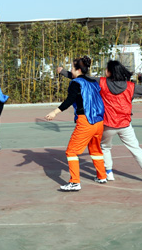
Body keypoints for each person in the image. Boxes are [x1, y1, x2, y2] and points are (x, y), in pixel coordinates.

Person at [58, 60, 142, 185]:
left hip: (108, 125)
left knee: (105, 148)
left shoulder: (101, 82)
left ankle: (109, 173)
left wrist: (63, 72)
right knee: (136, 149)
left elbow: (82, 78)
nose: (105, 71)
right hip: (125, 125)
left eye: (106, 69)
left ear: (110, 72)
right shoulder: (131, 86)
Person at [45, 56, 106, 191]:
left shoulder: (76, 83)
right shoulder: (93, 82)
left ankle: (74, 182)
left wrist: (55, 112)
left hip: (86, 121)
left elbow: (69, 100)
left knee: (71, 151)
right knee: (95, 150)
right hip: (99, 121)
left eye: (72, 68)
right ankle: (102, 176)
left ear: (78, 70)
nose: (71, 70)